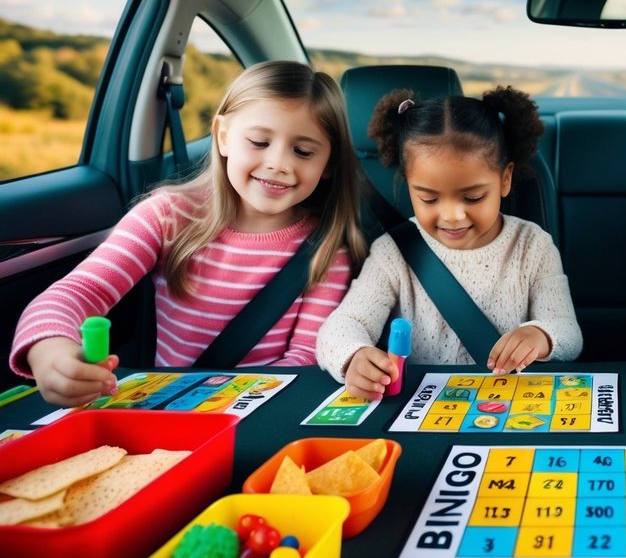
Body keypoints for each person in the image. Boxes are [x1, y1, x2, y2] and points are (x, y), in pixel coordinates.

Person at [9, 61, 367, 406]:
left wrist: (228, 404)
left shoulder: (325, 250)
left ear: (328, 165)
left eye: (303, 151)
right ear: (224, 137)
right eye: (259, 142)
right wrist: (50, 349)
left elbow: (304, 357)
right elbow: (79, 292)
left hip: (261, 408)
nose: (279, 163)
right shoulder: (166, 216)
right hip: (166, 406)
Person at [317, 86, 582, 399]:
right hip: (422, 404)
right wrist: (354, 357)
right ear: (409, 186)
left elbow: (568, 332)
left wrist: (541, 336)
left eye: (473, 197)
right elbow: (341, 326)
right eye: (428, 198)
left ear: (505, 179)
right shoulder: (394, 252)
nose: (453, 216)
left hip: (508, 403)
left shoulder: (532, 246)